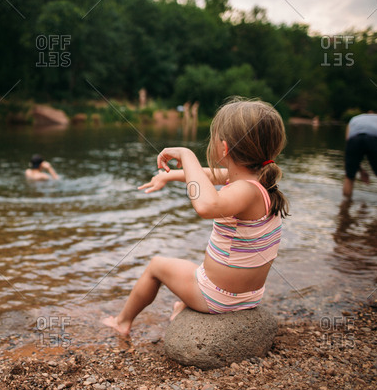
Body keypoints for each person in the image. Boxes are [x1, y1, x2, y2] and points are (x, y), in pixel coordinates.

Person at [102, 98, 289, 336]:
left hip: (219, 297)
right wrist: (169, 176)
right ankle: (185, 304)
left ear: (224, 148)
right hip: (248, 296)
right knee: (191, 268)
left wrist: (187, 154)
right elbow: (210, 176)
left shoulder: (245, 191)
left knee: (156, 265)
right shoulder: (257, 183)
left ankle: (122, 322)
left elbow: (205, 206)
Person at [342, 113, 377, 198]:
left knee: (349, 177)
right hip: (374, 139)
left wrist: (360, 170)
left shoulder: (353, 119)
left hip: (354, 140)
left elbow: (348, 142)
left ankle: (345, 205)